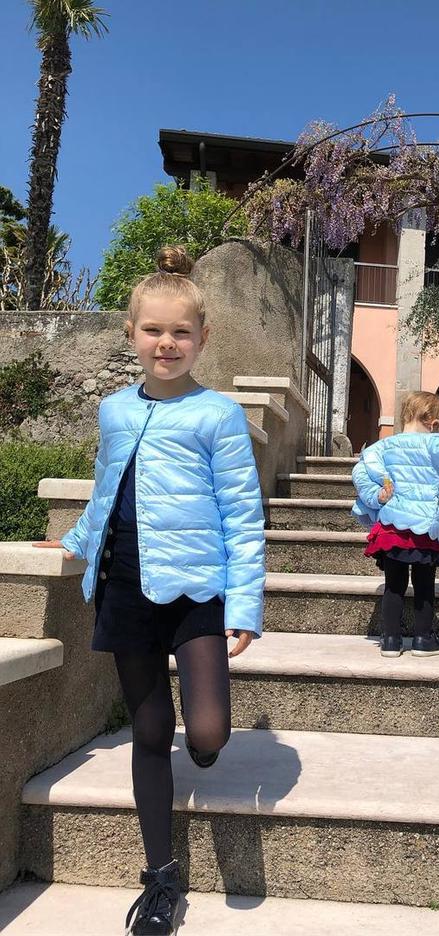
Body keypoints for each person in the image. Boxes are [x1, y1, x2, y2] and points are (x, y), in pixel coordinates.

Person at [34, 246, 265, 934]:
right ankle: (160, 878)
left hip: (198, 591)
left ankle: (204, 749)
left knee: (208, 730)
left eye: (181, 332)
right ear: (131, 332)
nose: (167, 343)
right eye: (153, 330)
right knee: (150, 729)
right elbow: (108, 489)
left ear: (203, 338)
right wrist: (74, 541)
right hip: (126, 584)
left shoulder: (218, 415)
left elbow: (243, 514)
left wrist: (245, 603)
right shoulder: (113, 410)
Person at [352, 391, 439, 658]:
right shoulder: (434, 445)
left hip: (391, 527)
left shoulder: (383, 447)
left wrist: (376, 496)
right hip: (425, 529)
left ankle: (390, 640)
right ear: (434, 423)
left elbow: (360, 471)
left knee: (393, 585)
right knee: (424, 585)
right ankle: (423, 639)